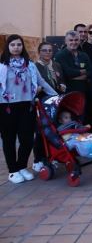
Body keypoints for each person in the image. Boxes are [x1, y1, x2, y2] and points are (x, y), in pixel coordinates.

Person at [1, 35, 57, 183]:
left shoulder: (29, 65)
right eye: (12, 45)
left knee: (27, 140)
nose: (16, 47)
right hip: (7, 107)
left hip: (27, 106)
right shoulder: (2, 66)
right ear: (8, 47)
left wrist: (56, 96)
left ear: (22, 46)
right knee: (9, 140)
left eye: (19, 45)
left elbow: (41, 82)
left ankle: (21, 167)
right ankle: (13, 171)